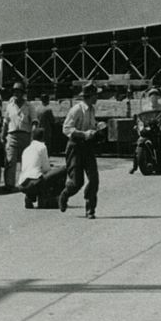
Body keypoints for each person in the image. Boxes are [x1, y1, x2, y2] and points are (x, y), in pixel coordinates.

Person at [59, 83, 106, 219]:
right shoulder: (76, 110)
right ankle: (65, 194)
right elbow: (66, 129)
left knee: (94, 179)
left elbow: (91, 125)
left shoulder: (92, 110)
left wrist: (97, 127)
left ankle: (90, 208)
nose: (97, 97)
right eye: (95, 95)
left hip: (88, 147)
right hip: (75, 147)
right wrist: (84, 134)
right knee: (76, 182)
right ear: (89, 96)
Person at [16, 126, 65, 209]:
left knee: (37, 176)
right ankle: (51, 198)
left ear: (32, 137)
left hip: (22, 183)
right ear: (43, 137)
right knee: (63, 170)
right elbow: (46, 169)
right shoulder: (42, 147)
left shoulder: (26, 149)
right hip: (36, 182)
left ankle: (30, 196)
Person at [2, 83, 38, 192]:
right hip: (12, 135)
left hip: (25, 135)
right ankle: (9, 185)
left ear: (23, 93)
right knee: (10, 160)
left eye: (19, 92)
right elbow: (5, 122)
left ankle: (25, 184)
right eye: (15, 92)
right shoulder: (9, 106)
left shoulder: (29, 106)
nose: (16, 94)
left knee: (26, 161)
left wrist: (33, 134)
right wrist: (2, 135)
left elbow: (34, 121)